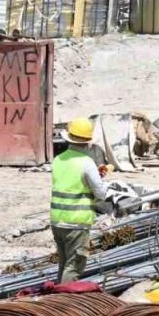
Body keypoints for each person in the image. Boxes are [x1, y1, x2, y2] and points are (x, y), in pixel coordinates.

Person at [50, 118, 109, 284]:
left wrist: (93, 175)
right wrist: (99, 179)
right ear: (88, 143)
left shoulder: (58, 160)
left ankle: (56, 298)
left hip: (57, 221)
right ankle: (63, 303)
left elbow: (71, 182)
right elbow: (101, 194)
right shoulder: (87, 163)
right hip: (76, 222)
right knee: (74, 266)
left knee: (64, 263)